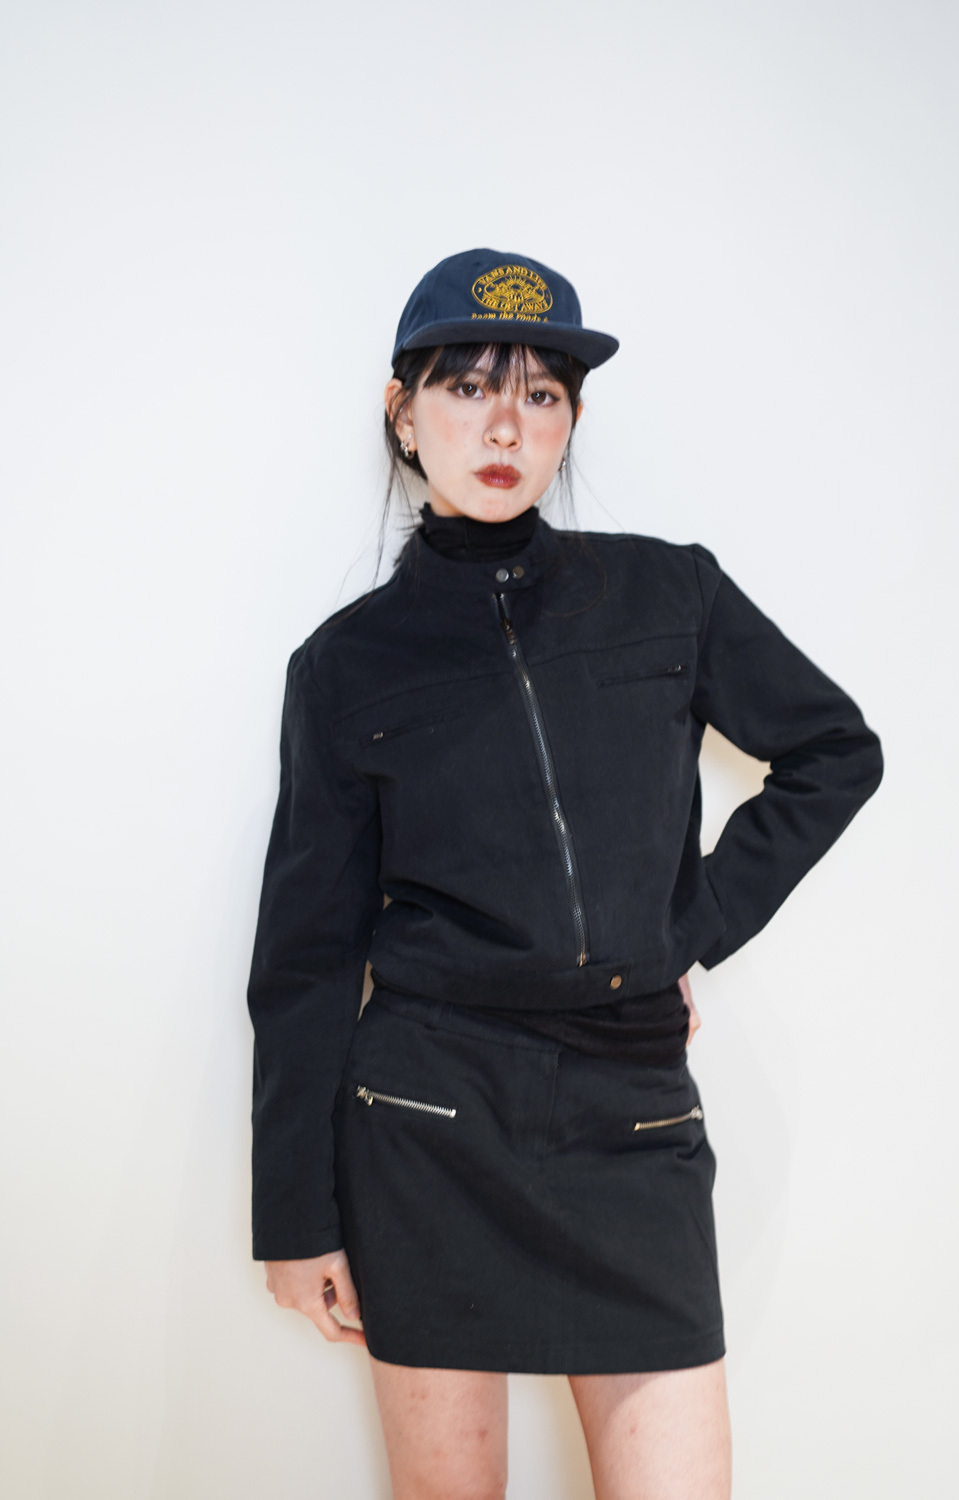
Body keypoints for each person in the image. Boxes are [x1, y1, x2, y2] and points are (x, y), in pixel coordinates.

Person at [247, 248, 884, 1500]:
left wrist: (684, 927)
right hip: (427, 1126)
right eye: (468, 386)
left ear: (571, 421)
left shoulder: (668, 593)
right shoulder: (345, 666)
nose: (505, 425)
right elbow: (306, 959)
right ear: (404, 413)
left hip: (631, 1120)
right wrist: (294, 1217)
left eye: (540, 393)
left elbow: (833, 752)